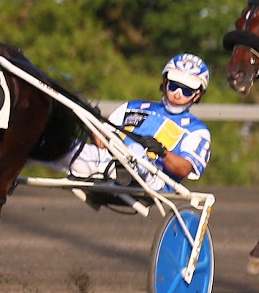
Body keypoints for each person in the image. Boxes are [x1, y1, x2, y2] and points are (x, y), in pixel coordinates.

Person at [64, 53, 213, 197]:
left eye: (186, 90)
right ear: (166, 82)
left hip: (154, 180)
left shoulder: (197, 130)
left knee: (135, 150)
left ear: (198, 94)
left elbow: (184, 169)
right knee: (66, 144)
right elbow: (102, 145)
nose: (178, 94)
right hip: (107, 164)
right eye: (174, 86)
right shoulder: (132, 106)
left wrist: (163, 153)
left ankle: (126, 172)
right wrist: (92, 123)